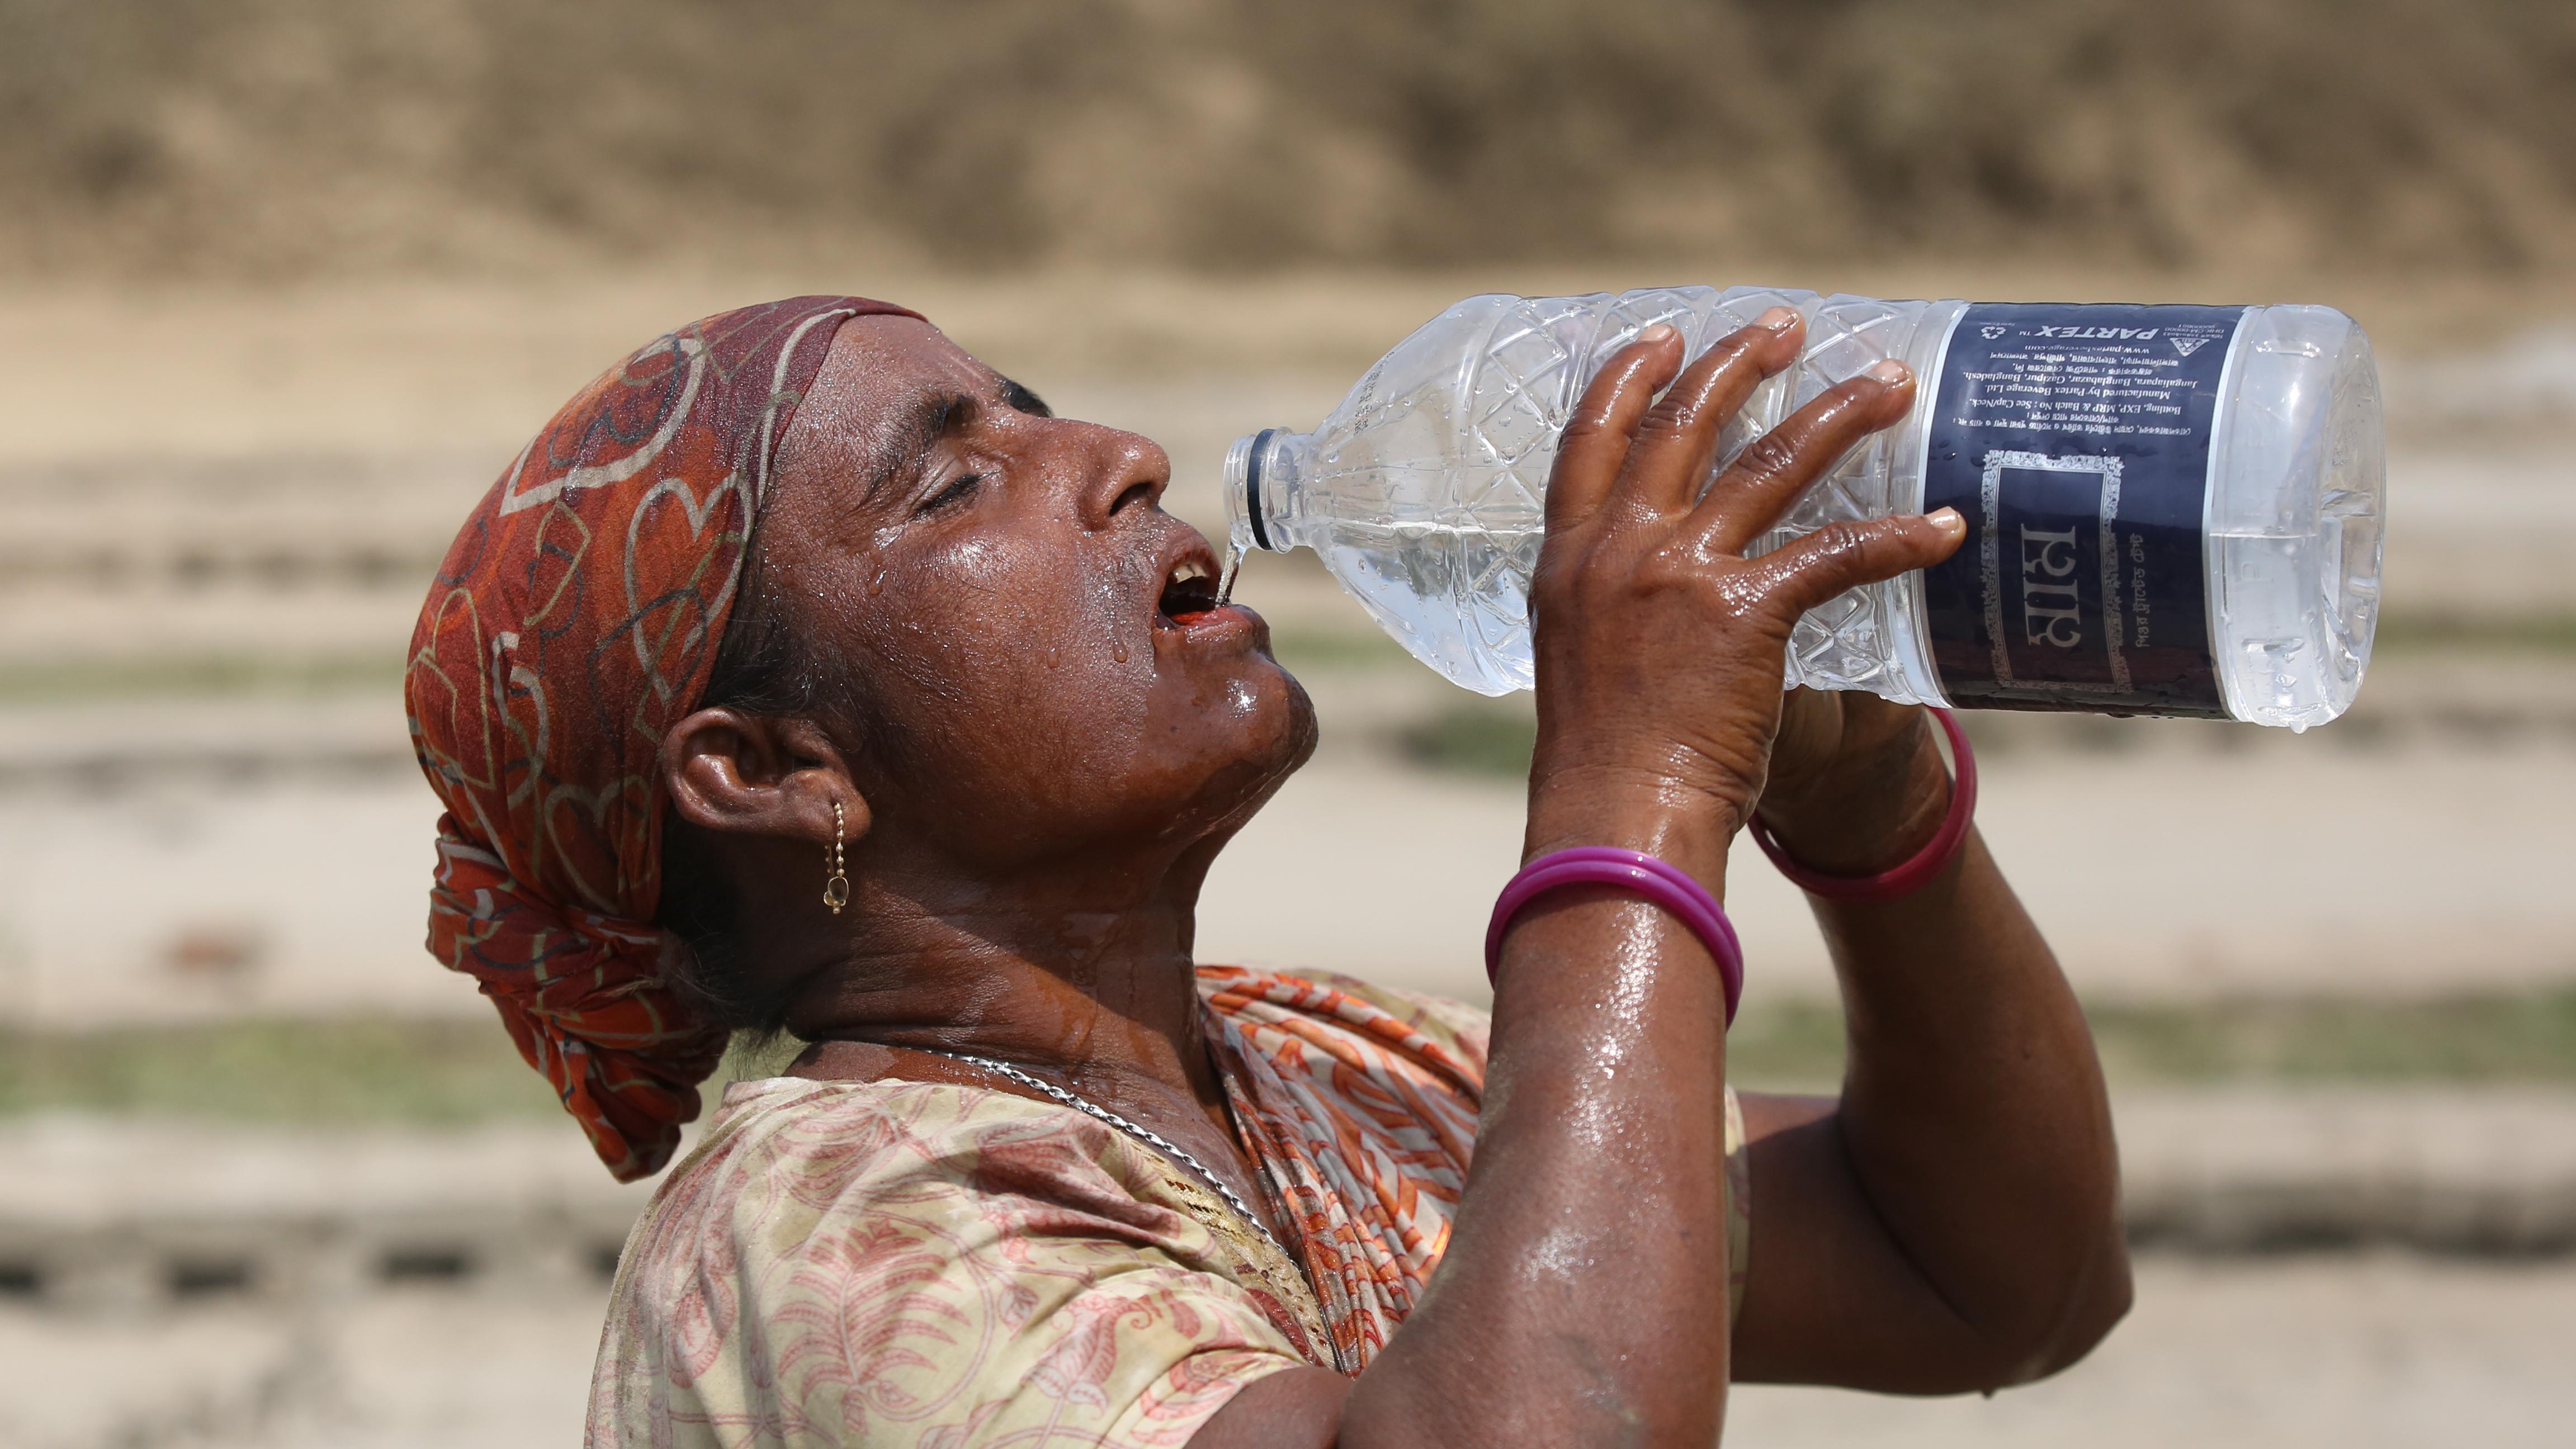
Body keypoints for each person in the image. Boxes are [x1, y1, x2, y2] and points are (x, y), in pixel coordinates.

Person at [406, 294, 2129, 1448]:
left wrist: (1882, 817)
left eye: (1041, 412)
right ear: (780, 775)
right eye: (950, 483)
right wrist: (1642, 781)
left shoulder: (1325, 1072)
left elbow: (1987, 1268)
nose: (1117, 456)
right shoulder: (836, 1236)